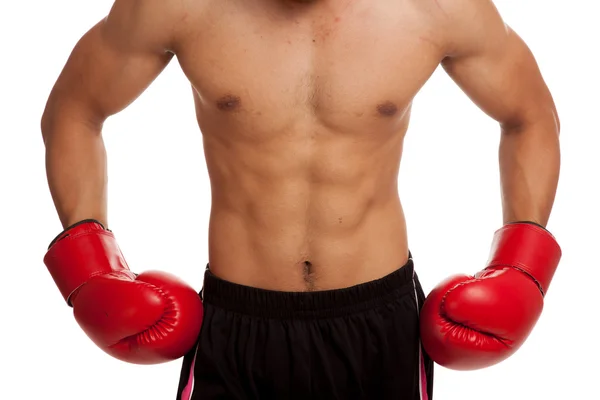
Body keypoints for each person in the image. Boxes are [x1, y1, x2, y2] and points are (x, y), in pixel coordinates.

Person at [40, 0, 562, 399]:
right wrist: (90, 265)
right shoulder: (181, 5)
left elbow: (529, 114)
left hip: (378, 326)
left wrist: (521, 266)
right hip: (239, 323)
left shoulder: (434, 8)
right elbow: (75, 109)